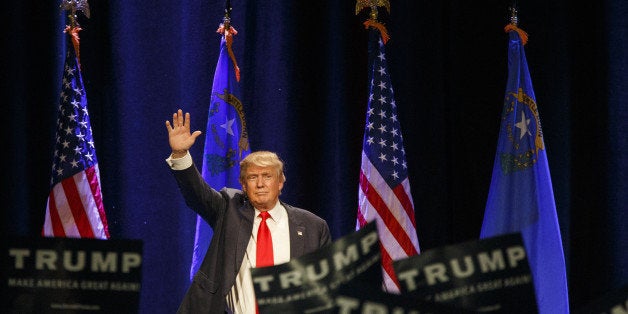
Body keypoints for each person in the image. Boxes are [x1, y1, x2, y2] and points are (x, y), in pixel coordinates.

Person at [165, 109, 332, 313]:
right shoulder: (229, 209)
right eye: (252, 178)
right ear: (243, 185)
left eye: (267, 176)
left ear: (280, 183)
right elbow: (197, 195)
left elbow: (326, 290)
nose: (260, 183)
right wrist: (181, 155)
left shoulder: (312, 227)